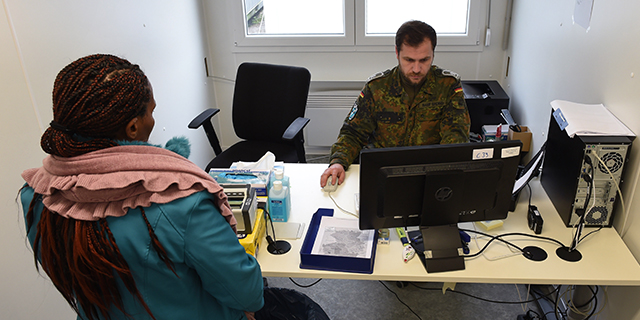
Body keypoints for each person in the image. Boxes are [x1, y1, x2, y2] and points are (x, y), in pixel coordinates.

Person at [19, 54, 264, 320]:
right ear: (133, 127)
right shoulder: (182, 204)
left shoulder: (35, 196)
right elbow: (248, 293)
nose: (153, 119)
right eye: (151, 111)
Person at [320, 20, 471, 188]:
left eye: (424, 60)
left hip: (429, 175)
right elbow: (353, 133)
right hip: (382, 173)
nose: (416, 68)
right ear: (397, 53)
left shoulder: (448, 86)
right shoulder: (377, 87)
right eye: (409, 60)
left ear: (433, 55)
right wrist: (338, 162)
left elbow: (456, 137)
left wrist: (443, 175)